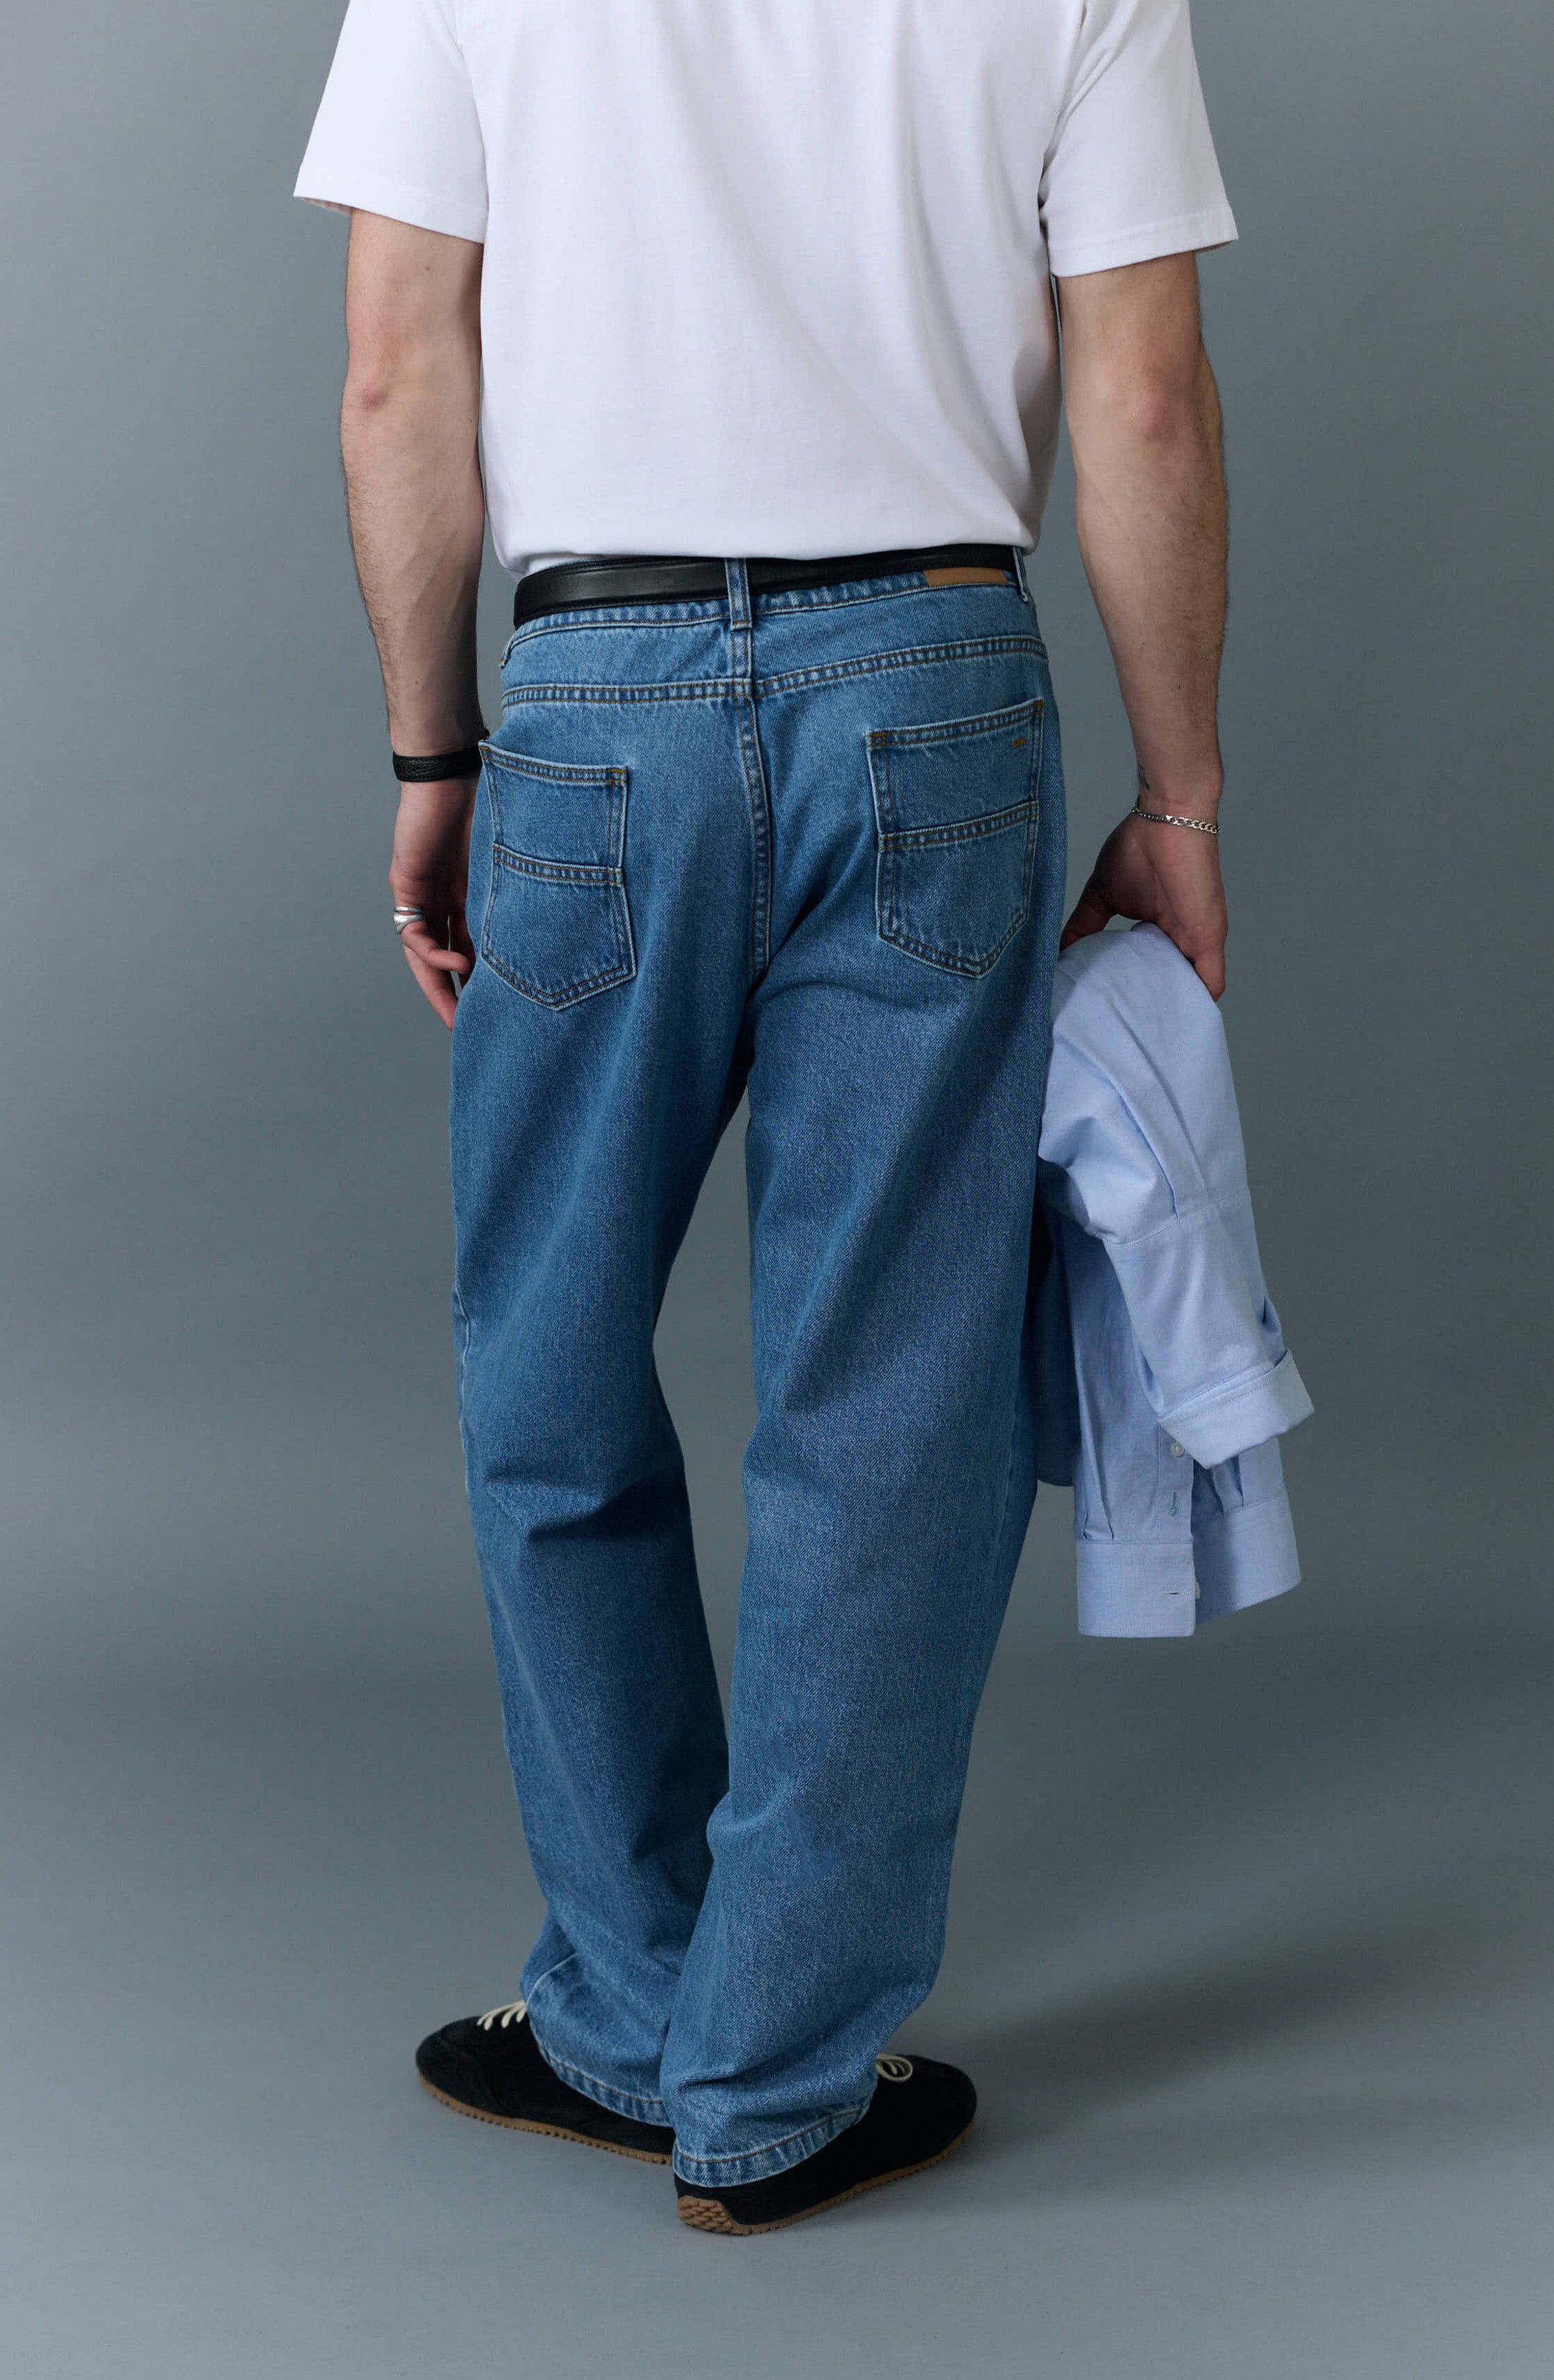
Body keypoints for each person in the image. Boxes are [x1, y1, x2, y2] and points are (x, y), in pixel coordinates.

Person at [296, 0, 1237, 2236]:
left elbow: (399, 368)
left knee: (543, 1365)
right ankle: (779, 2075)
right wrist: (1181, 794)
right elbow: (1140, 393)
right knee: (886, 1396)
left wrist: (434, 755)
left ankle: (629, 2012)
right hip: (933, 692)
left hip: (592, 704)